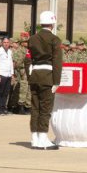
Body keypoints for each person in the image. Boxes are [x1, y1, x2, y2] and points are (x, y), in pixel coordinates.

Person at [27, 11, 63, 150]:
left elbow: (27, 59)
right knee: (45, 108)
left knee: (35, 108)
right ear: (52, 24)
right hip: (47, 76)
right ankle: (43, 137)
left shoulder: (32, 39)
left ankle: (34, 138)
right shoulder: (54, 40)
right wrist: (56, 81)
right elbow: (57, 62)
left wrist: (30, 76)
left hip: (35, 75)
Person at [0, 37, 14, 114]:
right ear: (2, 43)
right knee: (0, 92)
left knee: (6, 92)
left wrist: (12, 74)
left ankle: (3, 107)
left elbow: (11, 63)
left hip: (8, 74)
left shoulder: (10, 51)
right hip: (2, 74)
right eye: (4, 42)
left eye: (7, 42)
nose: (6, 44)